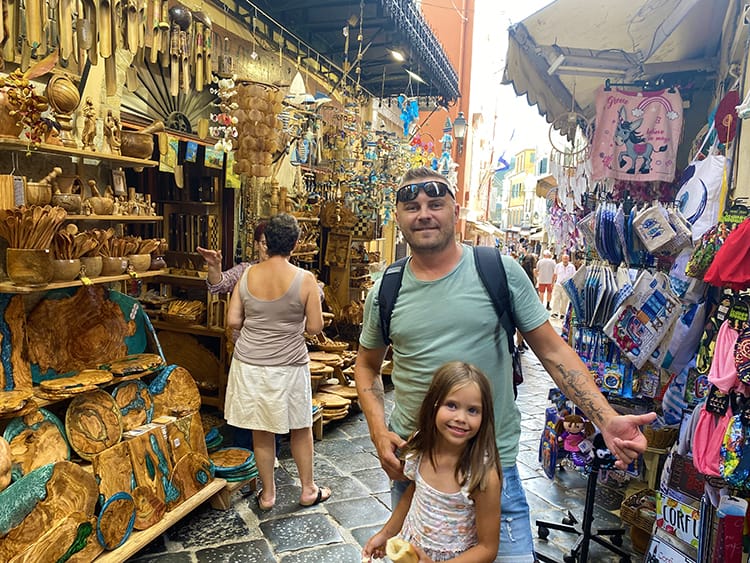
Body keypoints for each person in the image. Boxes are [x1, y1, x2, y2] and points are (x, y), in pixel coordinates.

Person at [354, 166, 656, 562]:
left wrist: (604, 418)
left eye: (435, 204)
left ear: (455, 211)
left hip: (492, 469)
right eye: (412, 206)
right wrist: (378, 432)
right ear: (399, 217)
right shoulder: (386, 289)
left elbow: (553, 351)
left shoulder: (497, 271)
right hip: (416, 470)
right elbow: (366, 367)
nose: (424, 214)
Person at [226, 213, 330, 510]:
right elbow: (315, 327)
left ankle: (268, 495)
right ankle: (308, 489)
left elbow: (234, 320)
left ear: (266, 241)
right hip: (289, 364)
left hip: (250, 364)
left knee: (261, 429)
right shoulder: (305, 279)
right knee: (300, 426)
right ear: (295, 244)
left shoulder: (247, 275)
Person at [362, 361, 502, 563]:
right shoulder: (422, 449)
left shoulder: (482, 476)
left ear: (484, 416)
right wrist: (386, 534)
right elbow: (412, 495)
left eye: (473, 410)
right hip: (414, 550)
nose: (461, 417)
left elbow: (488, 548)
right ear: (434, 405)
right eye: (452, 405)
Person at [197, 222, 268, 294]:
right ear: (256, 245)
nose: (270, 249)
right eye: (265, 243)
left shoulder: (280, 272)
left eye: (275, 244)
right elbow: (220, 285)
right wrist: (214, 267)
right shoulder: (246, 270)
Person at [517, 252, 537, 352]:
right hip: (526, 301)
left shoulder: (520, 270)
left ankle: (520, 342)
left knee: (521, 325)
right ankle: (520, 343)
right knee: (523, 325)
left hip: (520, 299)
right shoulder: (532, 272)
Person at [551, 252, 577, 319]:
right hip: (558, 284)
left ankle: (562, 313)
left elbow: (574, 276)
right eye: (564, 258)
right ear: (562, 259)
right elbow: (555, 275)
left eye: (566, 258)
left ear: (568, 259)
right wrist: (552, 283)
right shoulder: (558, 266)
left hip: (567, 286)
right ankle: (555, 312)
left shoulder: (572, 267)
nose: (565, 259)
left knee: (565, 300)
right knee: (556, 298)